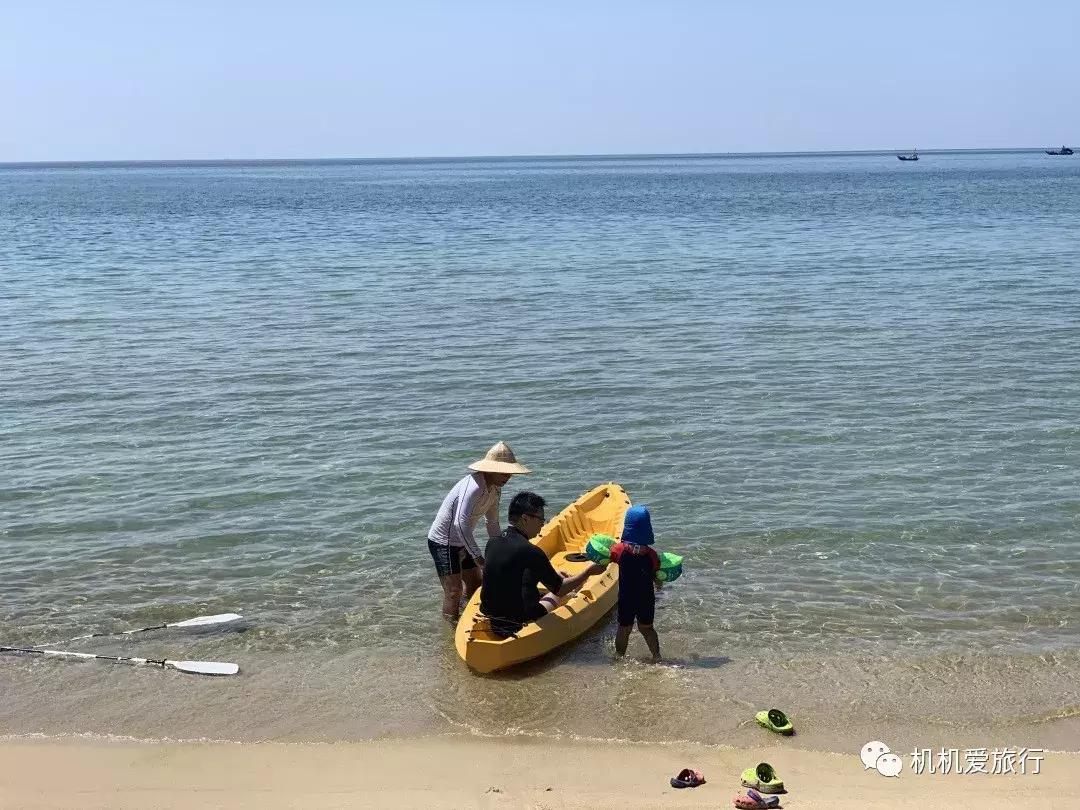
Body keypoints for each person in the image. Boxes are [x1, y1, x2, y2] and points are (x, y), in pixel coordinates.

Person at [427, 442, 530, 624]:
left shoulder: (495, 490)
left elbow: (492, 522)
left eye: (510, 472)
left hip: (464, 540)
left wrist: (501, 549)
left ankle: (467, 619)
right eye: (503, 472)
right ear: (490, 470)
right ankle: (451, 630)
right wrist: (478, 557)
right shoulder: (474, 487)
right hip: (443, 541)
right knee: (454, 591)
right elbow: (460, 523)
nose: (508, 476)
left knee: (476, 584)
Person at [480, 491, 606, 637]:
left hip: (490, 615)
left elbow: (512, 571)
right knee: (560, 595)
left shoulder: (493, 542)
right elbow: (560, 589)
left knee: (537, 589)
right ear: (525, 518)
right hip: (518, 620)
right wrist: (587, 573)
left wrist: (548, 575)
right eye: (541, 519)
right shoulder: (531, 551)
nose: (543, 523)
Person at [610, 505, 662, 661]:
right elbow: (656, 576)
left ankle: (619, 657)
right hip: (646, 598)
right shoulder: (652, 555)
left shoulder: (618, 550)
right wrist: (659, 584)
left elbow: (605, 560)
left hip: (626, 597)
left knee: (624, 628)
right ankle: (657, 656)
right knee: (647, 628)